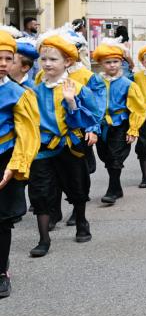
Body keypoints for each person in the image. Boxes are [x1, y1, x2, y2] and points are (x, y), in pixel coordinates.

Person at [28, 30, 101, 256]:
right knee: (40, 192)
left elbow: (91, 117)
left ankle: (81, 222)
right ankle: (43, 239)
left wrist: (71, 104)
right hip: (42, 149)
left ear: (67, 61)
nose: (47, 64)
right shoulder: (33, 90)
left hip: (70, 146)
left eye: (53, 59)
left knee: (77, 187)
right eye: (43, 59)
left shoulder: (77, 89)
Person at [0, 27, 41, 298]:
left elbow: (27, 134)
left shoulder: (19, 93)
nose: (3, 64)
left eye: (7, 58)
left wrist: (13, 166)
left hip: (5, 159)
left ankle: (1, 271)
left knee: (1, 221)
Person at [91, 39, 145, 205]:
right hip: (101, 125)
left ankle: (112, 190)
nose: (112, 65)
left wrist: (133, 129)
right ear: (101, 63)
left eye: (115, 62)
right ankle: (117, 187)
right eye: (108, 62)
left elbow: (138, 108)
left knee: (115, 156)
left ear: (121, 63)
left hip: (120, 124)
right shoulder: (95, 81)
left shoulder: (128, 84)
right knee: (105, 156)